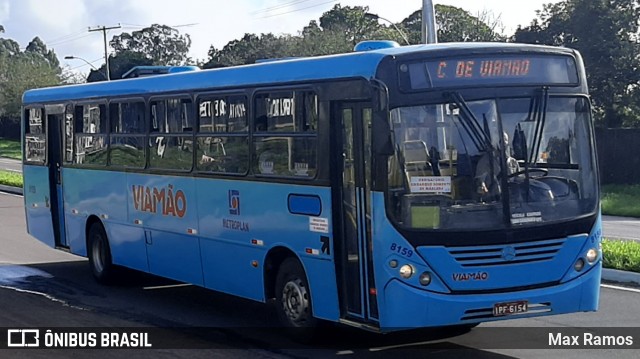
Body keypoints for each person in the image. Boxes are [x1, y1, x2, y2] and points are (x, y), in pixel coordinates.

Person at [475, 132, 520, 201]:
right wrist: (482, 187)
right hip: (493, 202)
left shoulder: (513, 162)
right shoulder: (485, 161)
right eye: (501, 140)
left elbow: (518, 181)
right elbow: (479, 181)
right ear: (494, 142)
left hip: (511, 202)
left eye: (505, 140)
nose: (504, 143)